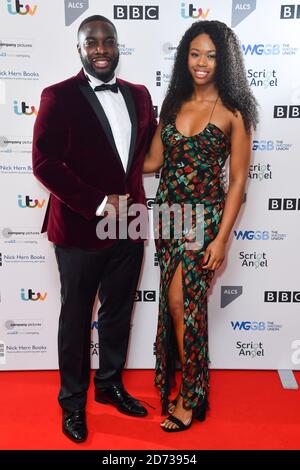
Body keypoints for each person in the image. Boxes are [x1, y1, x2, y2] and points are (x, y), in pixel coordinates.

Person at [32, 15, 157, 443]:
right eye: (92, 42)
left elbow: (148, 155)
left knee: (119, 312)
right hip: (81, 226)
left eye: (108, 41)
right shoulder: (58, 96)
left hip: (131, 226)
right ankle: (72, 403)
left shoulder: (140, 96)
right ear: (80, 50)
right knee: (76, 318)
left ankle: (109, 385)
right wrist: (100, 202)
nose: (101, 48)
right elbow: (45, 163)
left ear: (119, 45)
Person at [144, 20, 258, 432]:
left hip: (204, 221)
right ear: (184, 58)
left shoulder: (234, 112)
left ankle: (190, 397)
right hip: (169, 218)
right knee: (177, 305)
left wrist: (222, 238)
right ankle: (195, 389)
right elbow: (153, 162)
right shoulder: (173, 104)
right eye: (195, 53)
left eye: (211, 55)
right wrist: (104, 153)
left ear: (224, 61)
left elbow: (239, 180)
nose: (202, 62)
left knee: (183, 305)